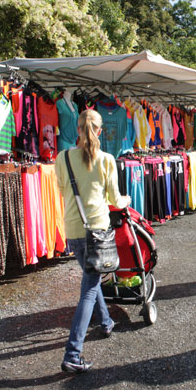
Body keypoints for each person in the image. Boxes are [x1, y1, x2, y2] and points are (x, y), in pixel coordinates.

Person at [56, 109, 131, 372]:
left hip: (73, 230)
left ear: (77, 129)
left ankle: (106, 321)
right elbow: (114, 199)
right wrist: (127, 201)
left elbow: (63, 190)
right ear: (99, 131)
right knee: (89, 287)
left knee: (92, 276)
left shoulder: (62, 157)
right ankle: (72, 354)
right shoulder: (107, 159)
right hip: (98, 231)